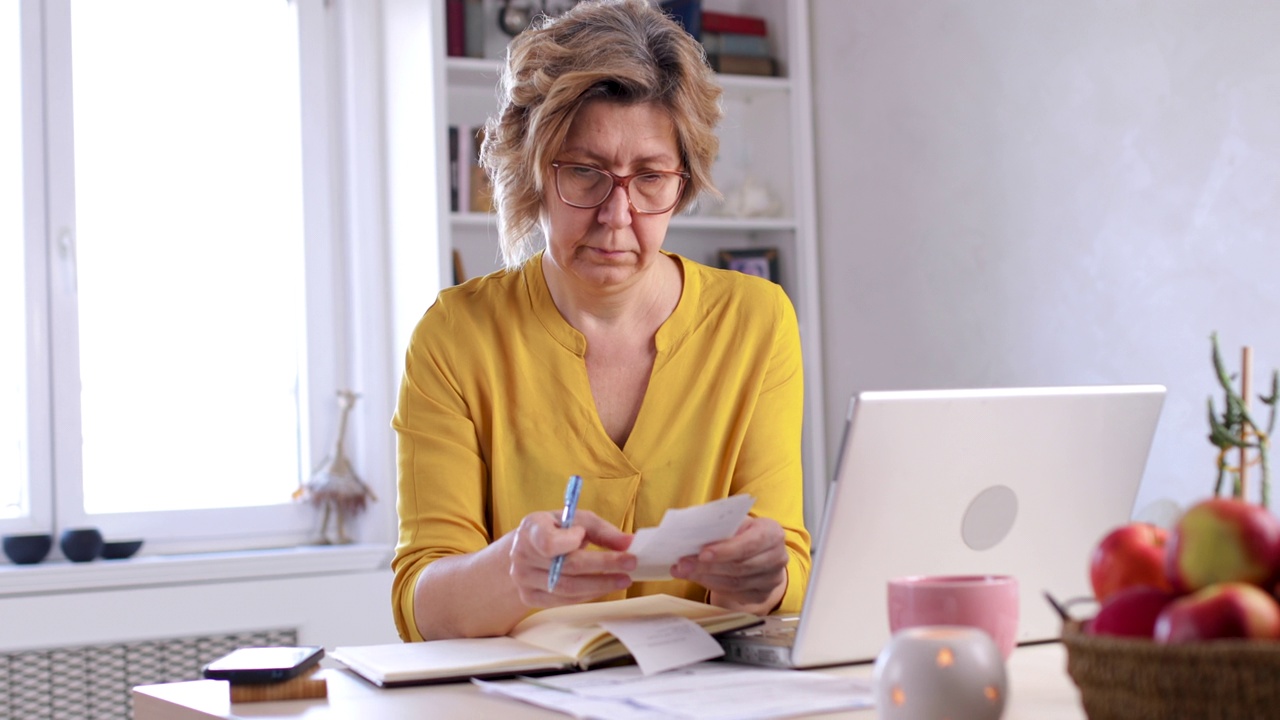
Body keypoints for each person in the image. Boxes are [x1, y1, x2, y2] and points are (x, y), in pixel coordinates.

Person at [391, 0, 811, 643]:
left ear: (685, 180)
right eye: (585, 173)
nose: (617, 215)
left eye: (649, 178)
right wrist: (513, 573)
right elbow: (420, 605)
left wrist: (761, 575)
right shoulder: (455, 337)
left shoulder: (756, 321)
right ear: (532, 173)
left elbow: (787, 564)